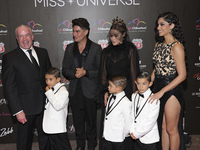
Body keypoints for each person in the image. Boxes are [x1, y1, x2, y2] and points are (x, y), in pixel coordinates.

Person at [2, 24, 52, 150]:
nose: (24, 39)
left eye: (27, 35)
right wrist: (18, 111)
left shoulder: (43, 53)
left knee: (46, 140)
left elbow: (50, 77)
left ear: (32, 36)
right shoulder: (10, 58)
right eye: (20, 36)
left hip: (45, 106)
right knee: (24, 143)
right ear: (17, 39)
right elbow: (9, 87)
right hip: (25, 109)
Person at [97, 17, 140, 150]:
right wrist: (105, 91)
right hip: (110, 94)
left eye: (116, 35)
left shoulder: (131, 51)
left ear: (123, 35)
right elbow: (103, 76)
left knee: (124, 125)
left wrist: (134, 97)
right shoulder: (105, 52)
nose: (112, 38)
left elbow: (134, 75)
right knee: (110, 125)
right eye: (111, 36)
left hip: (126, 93)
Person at [62, 18, 102, 150]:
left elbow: (101, 71)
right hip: (75, 92)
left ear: (86, 32)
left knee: (91, 122)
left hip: (90, 92)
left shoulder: (96, 48)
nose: (74, 34)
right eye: (73, 31)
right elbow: (65, 69)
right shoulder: (69, 48)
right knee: (78, 122)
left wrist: (86, 72)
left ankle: (91, 145)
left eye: (77, 31)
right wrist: (74, 74)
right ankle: (80, 146)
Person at [148, 12, 186, 150]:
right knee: (163, 127)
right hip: (159, 88)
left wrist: (161, 92)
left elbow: (182, 76)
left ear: (172, 26)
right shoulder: (158, 44)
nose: (158, 27)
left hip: (171, 91)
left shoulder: (177, 47)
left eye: (162, 24)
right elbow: (157, 67)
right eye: (158, 24)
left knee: (171, 129)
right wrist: (150, 82)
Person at [43, 67, 72, 150]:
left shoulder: (63, 91)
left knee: (63, 147)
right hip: (51, 126)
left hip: (58, 127)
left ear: (58, 79)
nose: (48, 82)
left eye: (50, 79)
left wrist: (48, 93)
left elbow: (57, 106)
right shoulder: (51, 89)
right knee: (54, 147)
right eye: (46, 79)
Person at [130, 71, 160, 150]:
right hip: (136, 136)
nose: (140, 87)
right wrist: (132, 130)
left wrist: (138, 133)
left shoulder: (154, 99)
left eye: (144, 84)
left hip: (149, 137)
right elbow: (133, 115)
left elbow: (151, 120)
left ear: (150, 84)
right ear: (135, 83)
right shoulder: (134, 96)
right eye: (138, 84)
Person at [102, 75, 132, 150]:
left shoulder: (126, 102)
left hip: (117, 138)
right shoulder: (111, 96)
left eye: (111, 86)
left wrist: (121, 134)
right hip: (107, 135)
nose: (108, 87)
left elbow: (128, 123)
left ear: (119, 88)